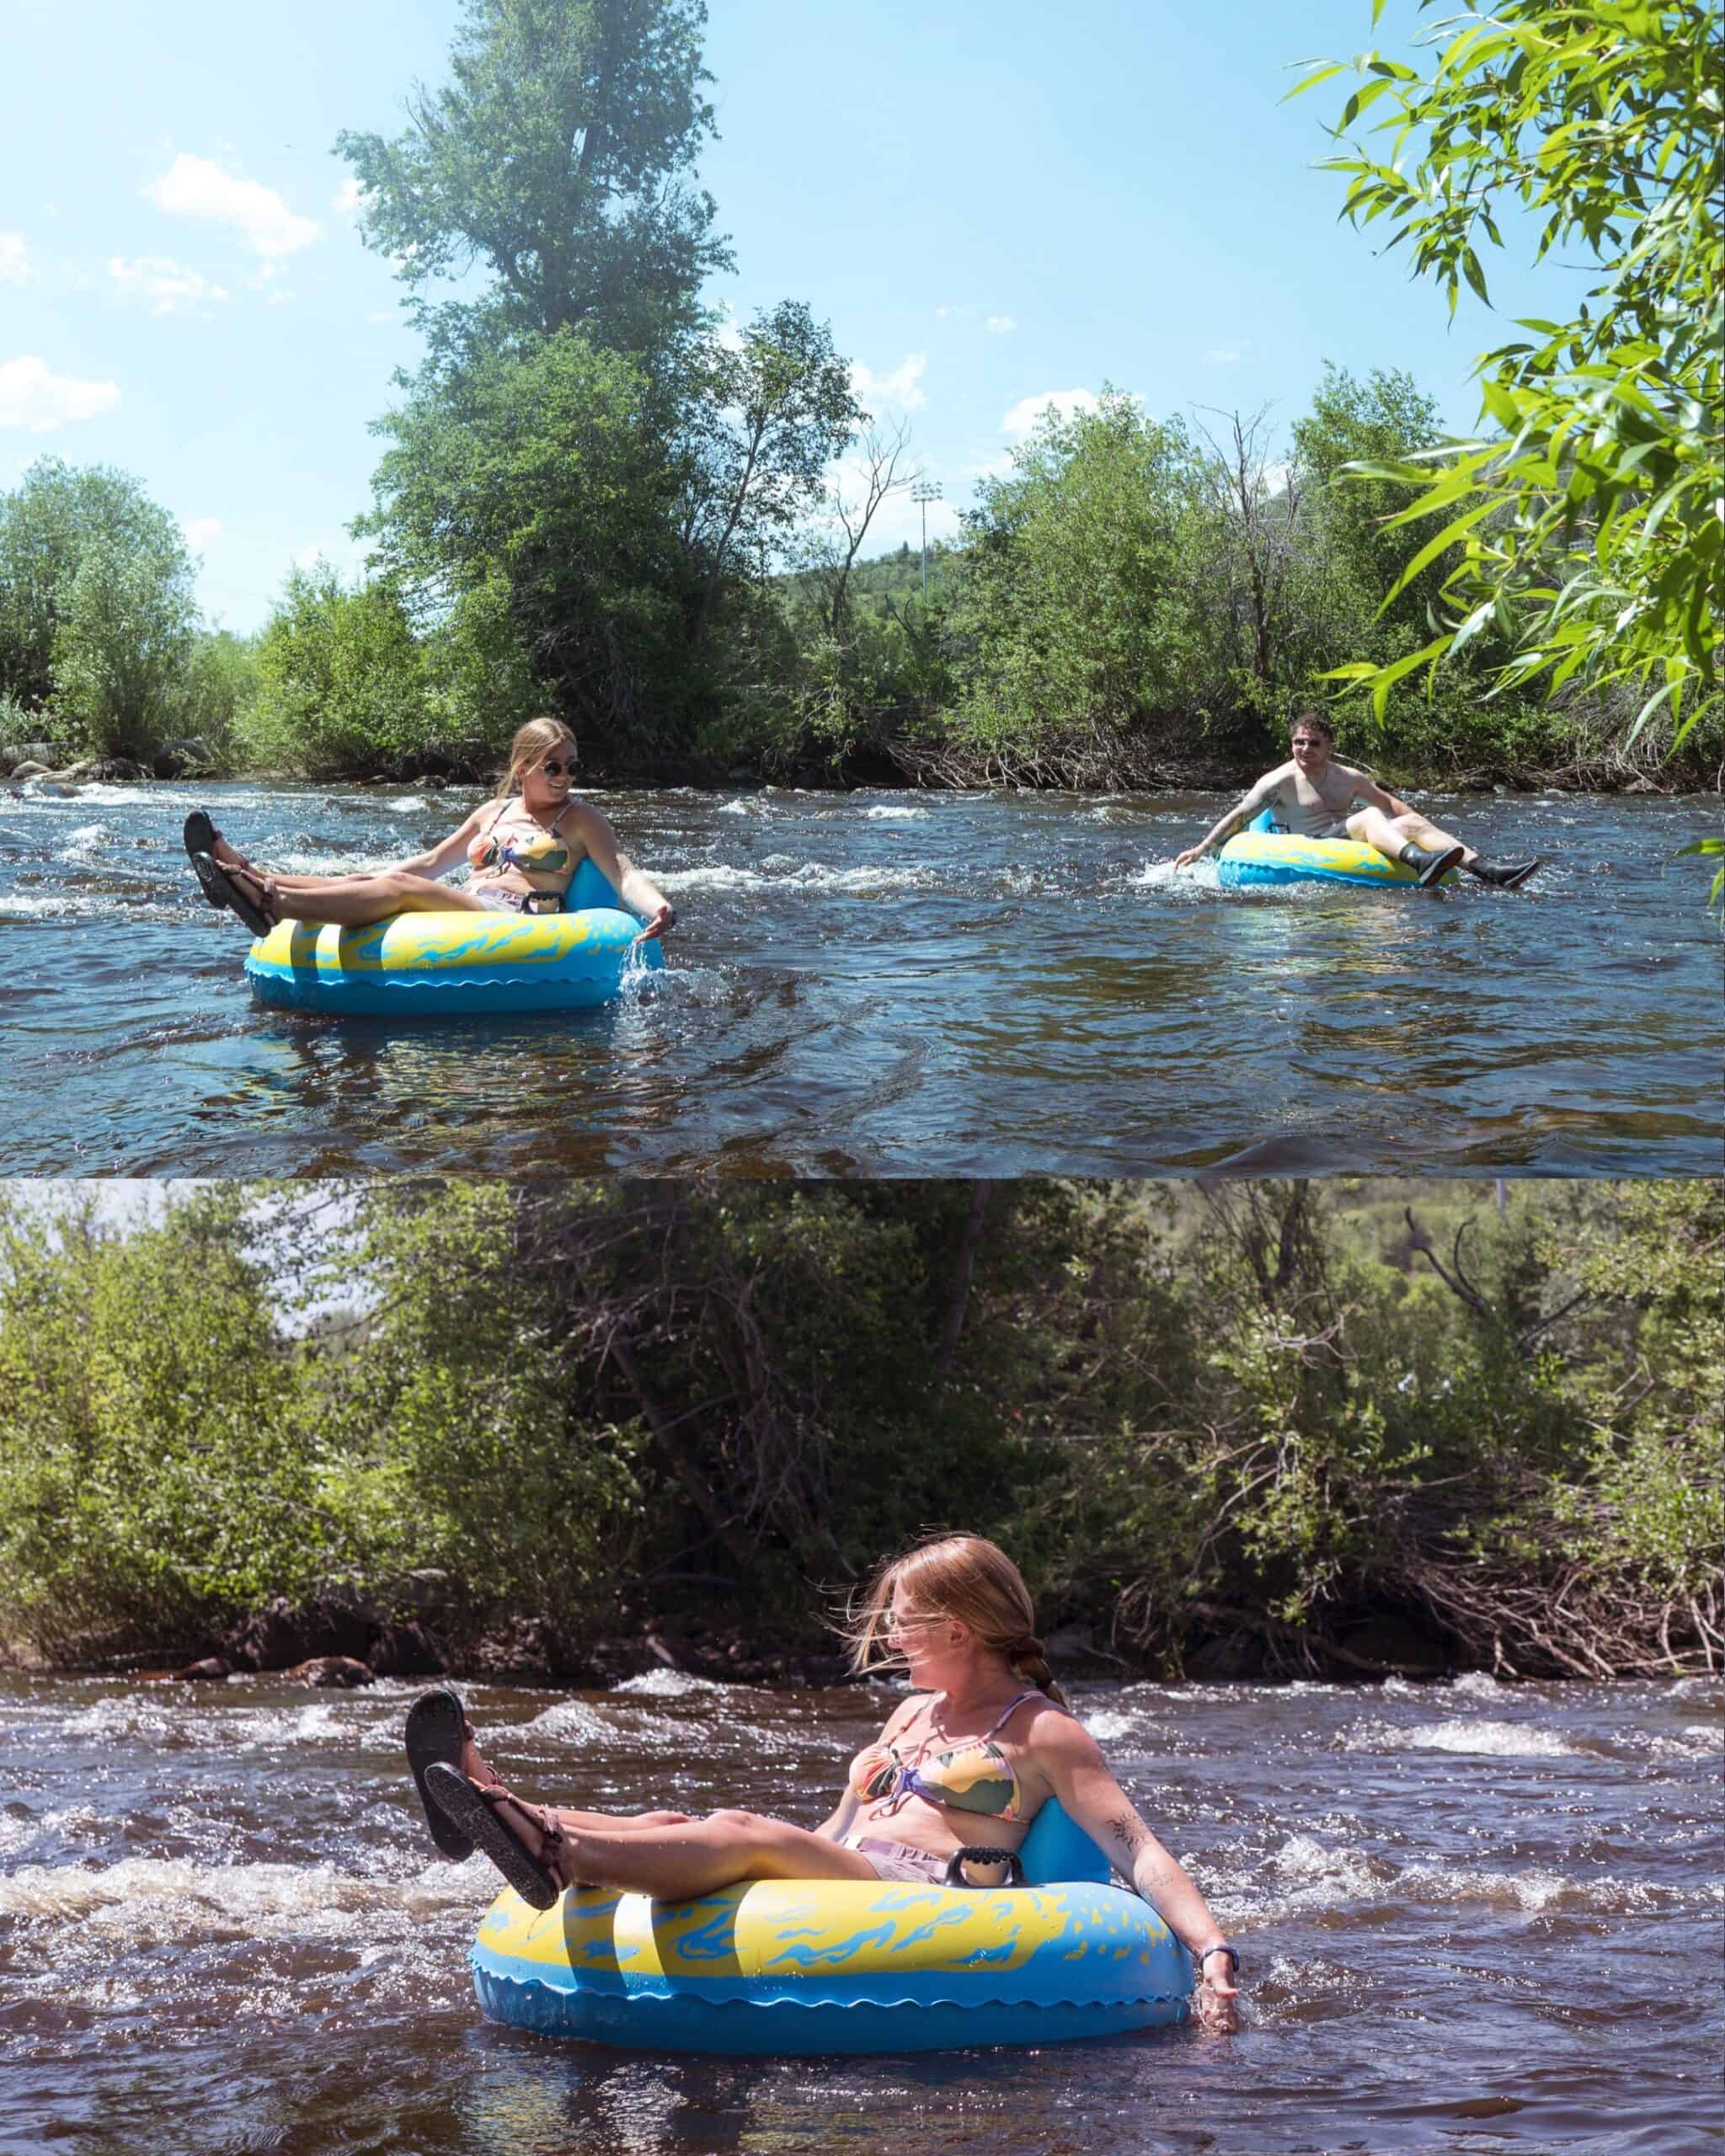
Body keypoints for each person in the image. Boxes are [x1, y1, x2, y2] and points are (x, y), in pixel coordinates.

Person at [406, 1534, 1243, 2033]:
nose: (889, 1636)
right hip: (855, 1873)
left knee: (741, 1827)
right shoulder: (908, 1714)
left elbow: (1136, 1849)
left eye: (901, 1621)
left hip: (922, 1894)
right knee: (668, 1820)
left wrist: (1209, 1949)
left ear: (957, 1629)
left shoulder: (1042, 1730)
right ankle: (498, 1804)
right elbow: (840, 1828)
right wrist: (745, 1869)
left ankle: (555, 1851)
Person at [183, 716, 676, 942]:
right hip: (473, 902)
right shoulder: (492, 812)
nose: (565, 777)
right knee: (369, 880)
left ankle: (273, 904)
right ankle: (244, 871)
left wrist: (657, 906)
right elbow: (433, 863)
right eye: (554, 767)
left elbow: (623, 872)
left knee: (398, 888)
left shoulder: (582, 818)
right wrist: (371, 880)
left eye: (572, 767)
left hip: (515, 917)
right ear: (524, 767)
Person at [1173, 710, 1539, 889]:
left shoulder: (1348, 777)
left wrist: (1417, 826)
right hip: (1308, 844)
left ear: (1329, 746)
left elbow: (1392, 805)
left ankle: (1488, 871)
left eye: (1314, 743)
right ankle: (1420, 861)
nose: (1305, 749)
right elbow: (1241, 815)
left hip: (1343, 838)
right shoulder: (1279, 781)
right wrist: (1203, 848)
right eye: (1299, 742)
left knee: (1410, 822)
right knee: (1368, 818)